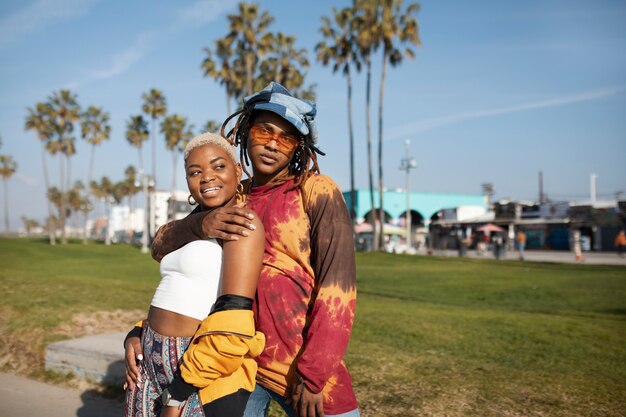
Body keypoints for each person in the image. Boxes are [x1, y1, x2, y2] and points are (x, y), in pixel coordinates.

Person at [127, 82, 360, 417]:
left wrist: (314, 375)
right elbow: (163, 245)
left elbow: (337, 291)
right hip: (237, 368)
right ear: (246, 131)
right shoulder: (234, 194)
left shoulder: (315, 190)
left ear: (298, 147)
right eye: (264, 130)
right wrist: (200, 224)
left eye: (287, 137)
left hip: (302, 372)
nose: (273, 144)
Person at [123, 133, 265, 417]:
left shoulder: (242, 224)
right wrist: (137, 333)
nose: (206, 177)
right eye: (195, 172)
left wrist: (176, 396)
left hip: (197, 373)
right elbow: (175, 283)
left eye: (218, 167)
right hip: (148, 363)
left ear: (237, 171)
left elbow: (233, 323)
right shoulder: (191, 225)